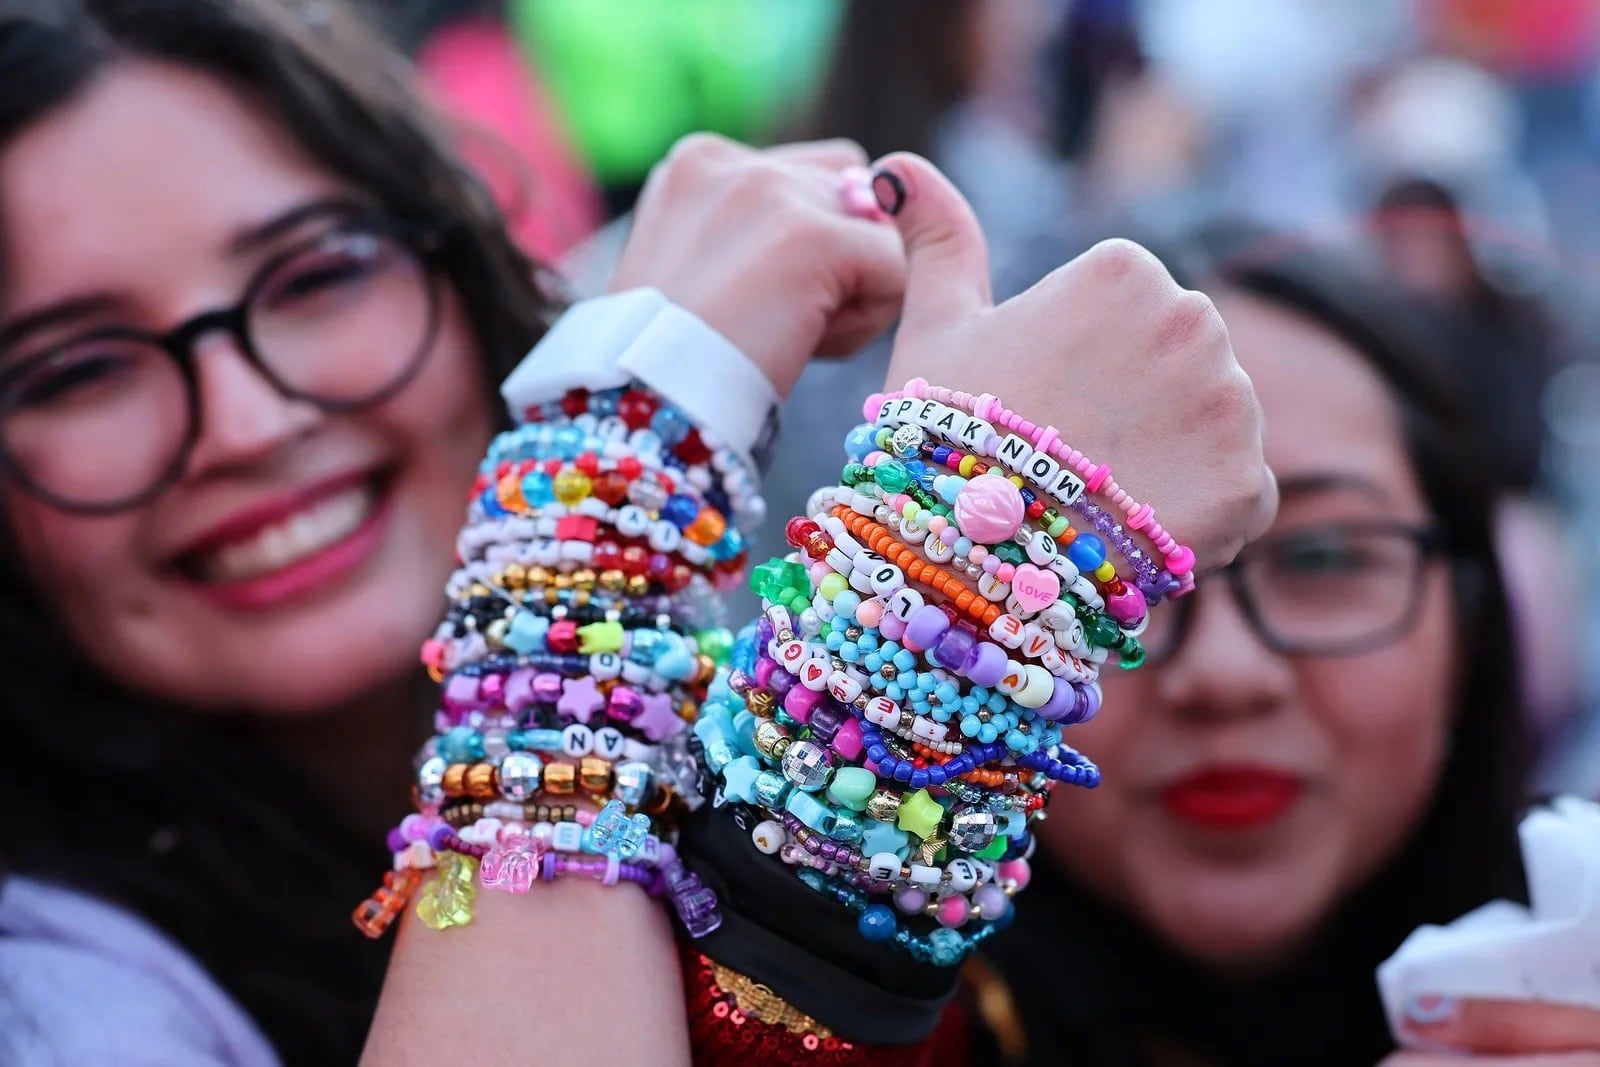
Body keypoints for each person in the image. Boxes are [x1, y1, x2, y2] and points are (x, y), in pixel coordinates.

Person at [0, 2, 1276, 1065]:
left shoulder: (748, 672)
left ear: (468, 274)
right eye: (75, 369)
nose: (248, 418)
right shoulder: (49, 998)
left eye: (316, 275)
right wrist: (602, 471)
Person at [985, 222, 1600, 1066]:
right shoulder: (821, 1003)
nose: (1225, 673)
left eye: (1324, 556)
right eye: (1116, 576)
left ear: (1468, 617)